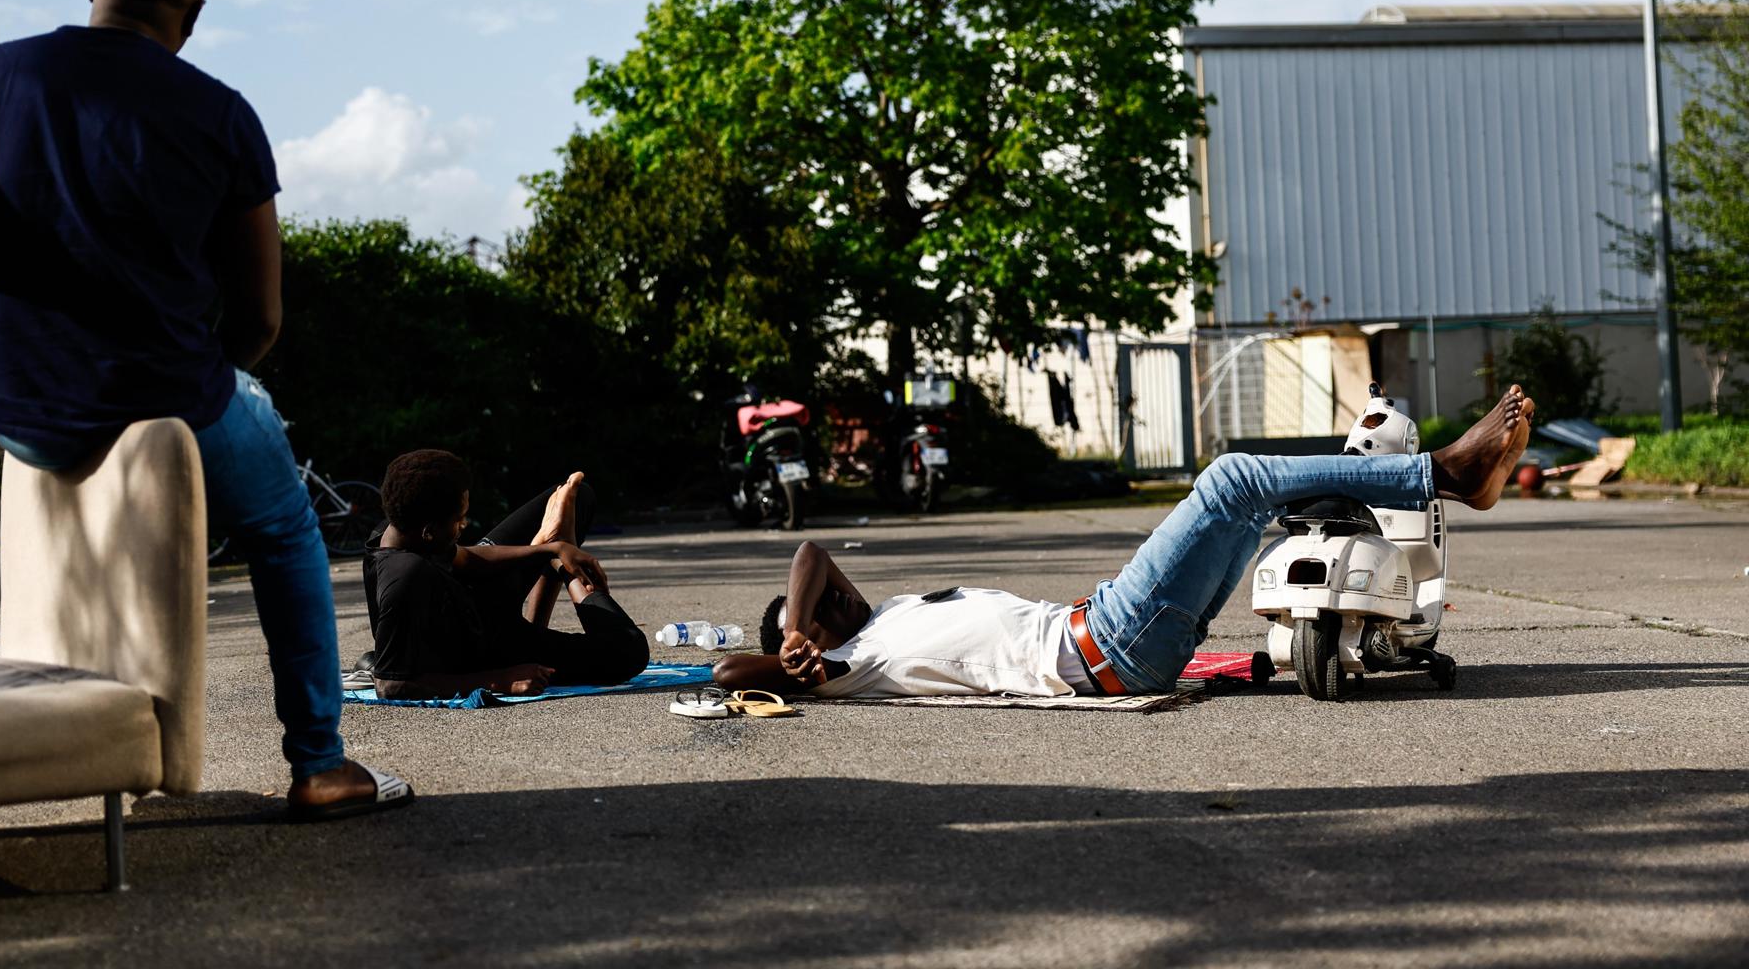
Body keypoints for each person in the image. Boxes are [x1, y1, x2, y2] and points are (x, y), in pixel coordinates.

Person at [0, 0, 411, 821]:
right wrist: (202, 387)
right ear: (190, 15)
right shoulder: (221, 113)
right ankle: (320, 763)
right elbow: (262, 318)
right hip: (161, 397)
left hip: (21, 409)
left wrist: (2, 294)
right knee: (284, 528)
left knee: (221, 424)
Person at [714, 388, 1536, 699]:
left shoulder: (881, 613)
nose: (838, 596)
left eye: (828, 600)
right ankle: (1448, 476)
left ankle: (1399, 570)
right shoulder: (855, 665)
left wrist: (803, 608)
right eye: (829, 611)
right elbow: (727, 673)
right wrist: (791, 647)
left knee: (1262, 505)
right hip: (1109, 643)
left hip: (1111, 629)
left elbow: (812, 553)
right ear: (812, 641)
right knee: (1232, 480)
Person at [364, 456, 650, 701]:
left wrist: (552, 549)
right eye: (460, 519)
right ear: (429, 531)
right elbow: (391, 685)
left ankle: (555, 545)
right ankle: (566, 577)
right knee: (628, 650)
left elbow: (466, 558)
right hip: (486, 650)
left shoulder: (402, 528)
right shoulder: (403, 577)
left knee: (579, 499)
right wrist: (499, 680)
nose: (465, 525)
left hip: (470, 601)